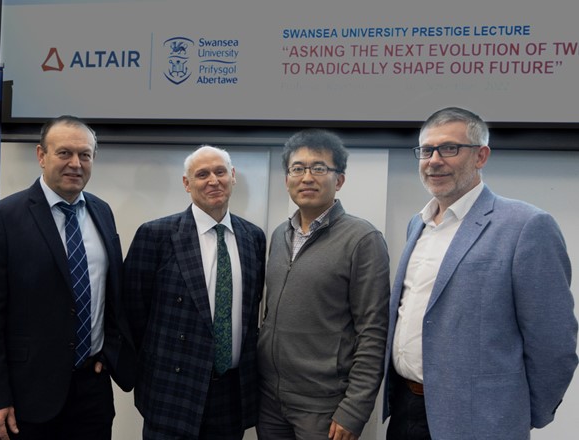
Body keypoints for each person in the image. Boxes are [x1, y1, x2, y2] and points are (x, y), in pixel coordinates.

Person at [383, 107, 578, 440]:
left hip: (482, 421)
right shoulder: (418, 224)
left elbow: (553, 341)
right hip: (406, 409)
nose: (434, 160)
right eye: (426, 150)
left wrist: (516, 414)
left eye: (449, 148)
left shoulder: (526, 225)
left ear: (481, 156)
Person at [0, 115, 135, 440]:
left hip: (93, 392)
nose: (76, 163)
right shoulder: (2, 217)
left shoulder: (102, 212)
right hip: (27, 396)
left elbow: (111, 294)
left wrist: (110, 353)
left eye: (85, 155)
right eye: (64, 153)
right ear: (41, 155)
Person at [123, 145, 266, 439]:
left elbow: (252, 312)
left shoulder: (253, 237)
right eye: (202, 174)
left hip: (232, 393)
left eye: (220, 172)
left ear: (233, 177)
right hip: (173, 392)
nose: (213, 180)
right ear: (187, 184)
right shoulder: (156, 235)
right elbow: (133, 313)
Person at [257, 129, 390, 440]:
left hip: (325, 407)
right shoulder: (280, 234)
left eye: (319, 168)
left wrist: (354, 409)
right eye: (298, 168)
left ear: (339, 180)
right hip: (270, 400)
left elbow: (373, 331)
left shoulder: (363, 239)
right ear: (287, 177)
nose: (307, 177)